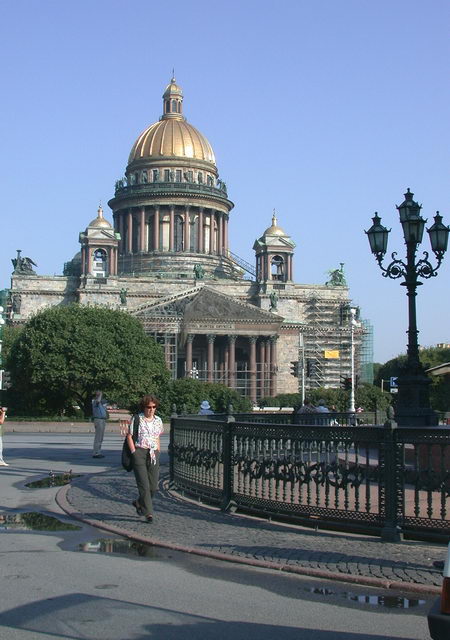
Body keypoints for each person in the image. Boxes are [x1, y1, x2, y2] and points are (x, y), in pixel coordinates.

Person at [127, 395, 163, 522]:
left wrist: (158, 450)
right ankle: (148, 513)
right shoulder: (137, 419)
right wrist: (134, 452)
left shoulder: (158, 420)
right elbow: (130, 436)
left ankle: (139, 502)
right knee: (144, 485)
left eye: (154, 407)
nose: (151, 409)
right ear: (144, 407)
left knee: (153, 486)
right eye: (149, 407)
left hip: (153, 453)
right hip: (140, 452)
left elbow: (158, 436)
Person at [91, 391, 108, 458]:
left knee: (101, 437)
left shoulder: (100, 404)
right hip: (98, 420)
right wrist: (100, 394)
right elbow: (98, 400)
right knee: (98, 437)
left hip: (102, 420)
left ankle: (98, 451)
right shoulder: (95, 402)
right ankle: (96, 453)